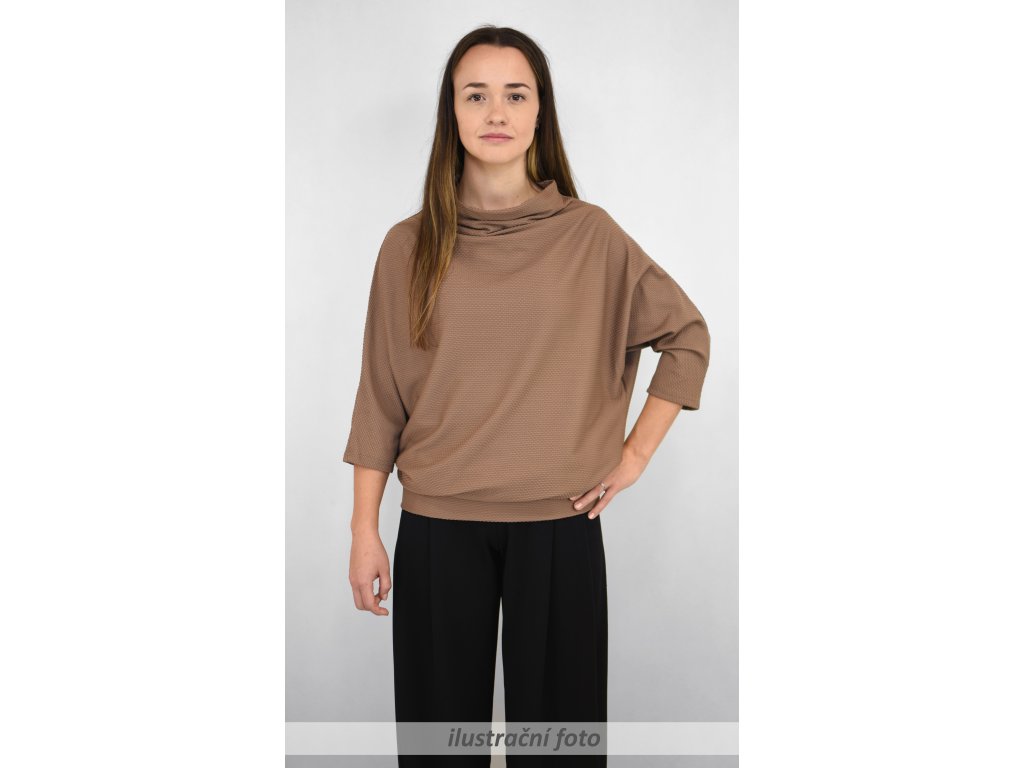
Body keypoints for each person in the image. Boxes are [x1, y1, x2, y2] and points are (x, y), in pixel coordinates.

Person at [343, 25, 711, 767]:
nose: (496, 112)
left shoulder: (591, 236)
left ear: (540, 111)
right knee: (439, 749)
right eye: (475, 95)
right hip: (438, 526)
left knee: (559, 750)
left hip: (559, 525)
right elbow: (380, 396)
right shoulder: (407, 246)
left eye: (516, 95)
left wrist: (634, 456)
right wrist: (363, 529)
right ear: (451, 111)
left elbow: (686, 336)